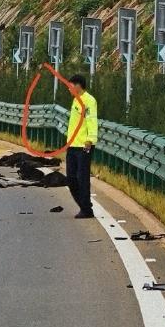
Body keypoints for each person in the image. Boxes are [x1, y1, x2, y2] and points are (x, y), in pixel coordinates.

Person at [65, 74, 98, 219]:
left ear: (78, 85)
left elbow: (91, 121)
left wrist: (90, 140)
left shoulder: (89, 101)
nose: (69, 89)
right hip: (72, 145)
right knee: (71, 178)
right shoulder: (75, 101)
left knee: (82, 178)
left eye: (71, 86)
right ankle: (84, 206)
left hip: (84, 146)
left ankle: (86, 208)